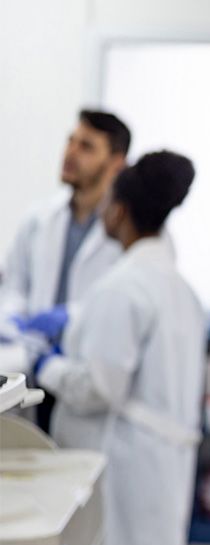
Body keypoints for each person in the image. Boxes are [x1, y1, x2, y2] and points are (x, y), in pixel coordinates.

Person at [33, 151, 206, 545]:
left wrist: (45, 365)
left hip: (127, 465)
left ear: (119, 210)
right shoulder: (177, 286)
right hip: (159, 463)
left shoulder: (123, 286)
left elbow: (98, 388)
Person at [0, 110, 129, 427]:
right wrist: (15, 318)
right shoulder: (39, 218)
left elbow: (118, 305)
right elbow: (14, 284)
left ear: (116, 163)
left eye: (86, 147)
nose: (71, 153)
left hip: (85, 373)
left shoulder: (122, 231)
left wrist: (69, 316)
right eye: (71, 141)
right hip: (31, 370)